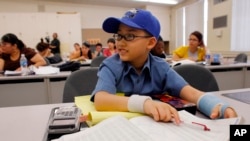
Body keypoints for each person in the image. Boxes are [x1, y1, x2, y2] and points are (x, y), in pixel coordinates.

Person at [90, 8, 237, 123]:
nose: (120, 42)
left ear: (151, 43)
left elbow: (190, 93)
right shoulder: (110, 65)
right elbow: (101, 99)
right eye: (119, 35)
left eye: (130, 36)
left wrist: (218, 106)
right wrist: (144, 104)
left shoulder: (161, 67)